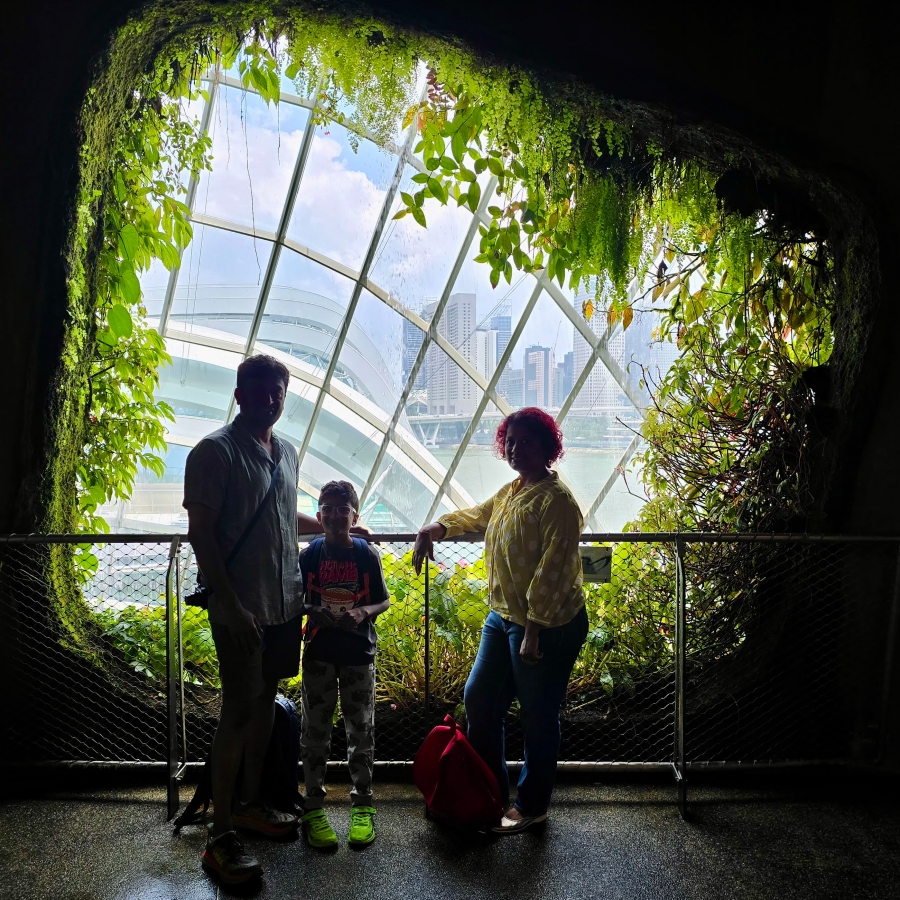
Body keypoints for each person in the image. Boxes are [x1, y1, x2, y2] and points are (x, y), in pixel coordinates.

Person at [184, 354, 349, 885]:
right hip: (243, 607)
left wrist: (338, 530)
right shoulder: (215, 452)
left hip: (284, 605)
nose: (270, 399)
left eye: (277, 391)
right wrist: (229, 604)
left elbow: (282, 515)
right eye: (258, 390)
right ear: (239, 395)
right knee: (238, 710)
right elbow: (201, 532)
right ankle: (220, 835)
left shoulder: (287, 452)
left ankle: (251, 804)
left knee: (263, 705)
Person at [413, 407, 588, 834]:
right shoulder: (513, 490)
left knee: (538, 715)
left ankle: (531, 805)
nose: (515, 448)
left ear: (547, 447)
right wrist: (434, 528)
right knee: (479, 700)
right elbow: (478, 515)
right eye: (510, 441)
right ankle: (489, 792)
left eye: (527, 441)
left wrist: (534, 630)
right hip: (503, 616)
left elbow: (554, 570)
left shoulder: (558, 502)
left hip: (546, 625)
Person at [298, 480, 391, 849]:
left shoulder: (366, 555)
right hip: (319, 654)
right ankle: (313, 806)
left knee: (361, 729)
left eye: (342, 509)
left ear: (355, 516)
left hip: (358, 654)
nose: (335, 515)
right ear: (319, 514)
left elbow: (382, 600)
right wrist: (311, 609)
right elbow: (296, 599)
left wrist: (363, 612)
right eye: (328, 509)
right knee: (314, 731)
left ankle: (362, 804)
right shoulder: (309, 555)